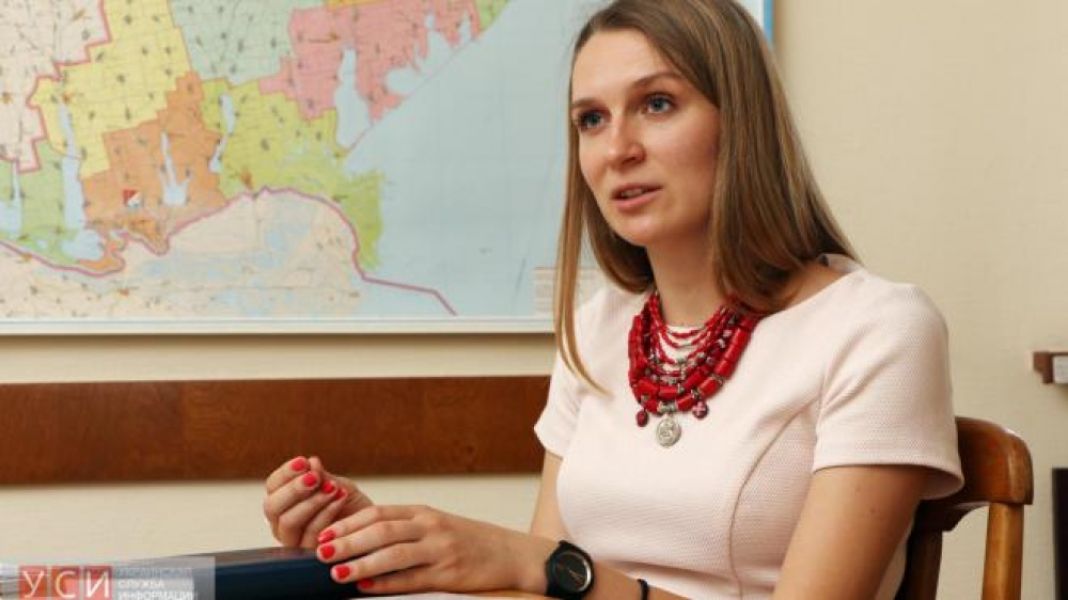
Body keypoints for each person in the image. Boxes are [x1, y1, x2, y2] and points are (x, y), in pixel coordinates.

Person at [261, 1, 963, 598]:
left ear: (740, 121)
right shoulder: (595, 330)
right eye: (591, 119)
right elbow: (539, 580)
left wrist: (557, 570)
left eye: (657, 104)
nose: (616, 148)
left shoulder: (877, 329)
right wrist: (387, 544)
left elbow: (547, 570)